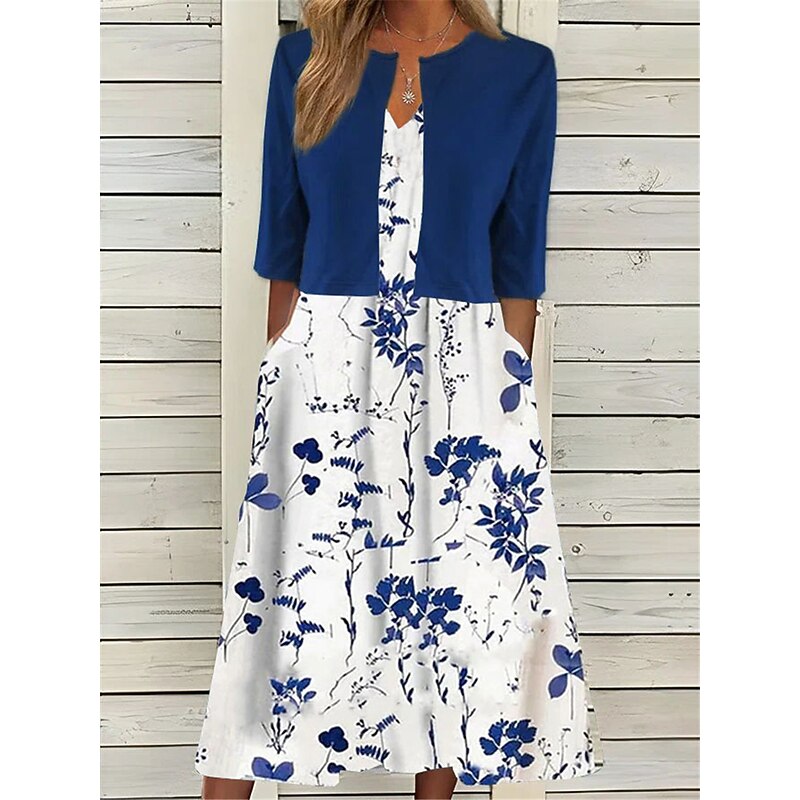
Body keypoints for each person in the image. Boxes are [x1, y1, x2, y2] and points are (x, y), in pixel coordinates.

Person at [195, 2, 601, 798]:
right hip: (325, 371)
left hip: (468, 378)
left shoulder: (521, 74)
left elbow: (518, 259)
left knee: (453, 616)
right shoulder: (306, 62)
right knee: (282, 618)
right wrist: (285, 377)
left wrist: (504, 403)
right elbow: (284, 242)